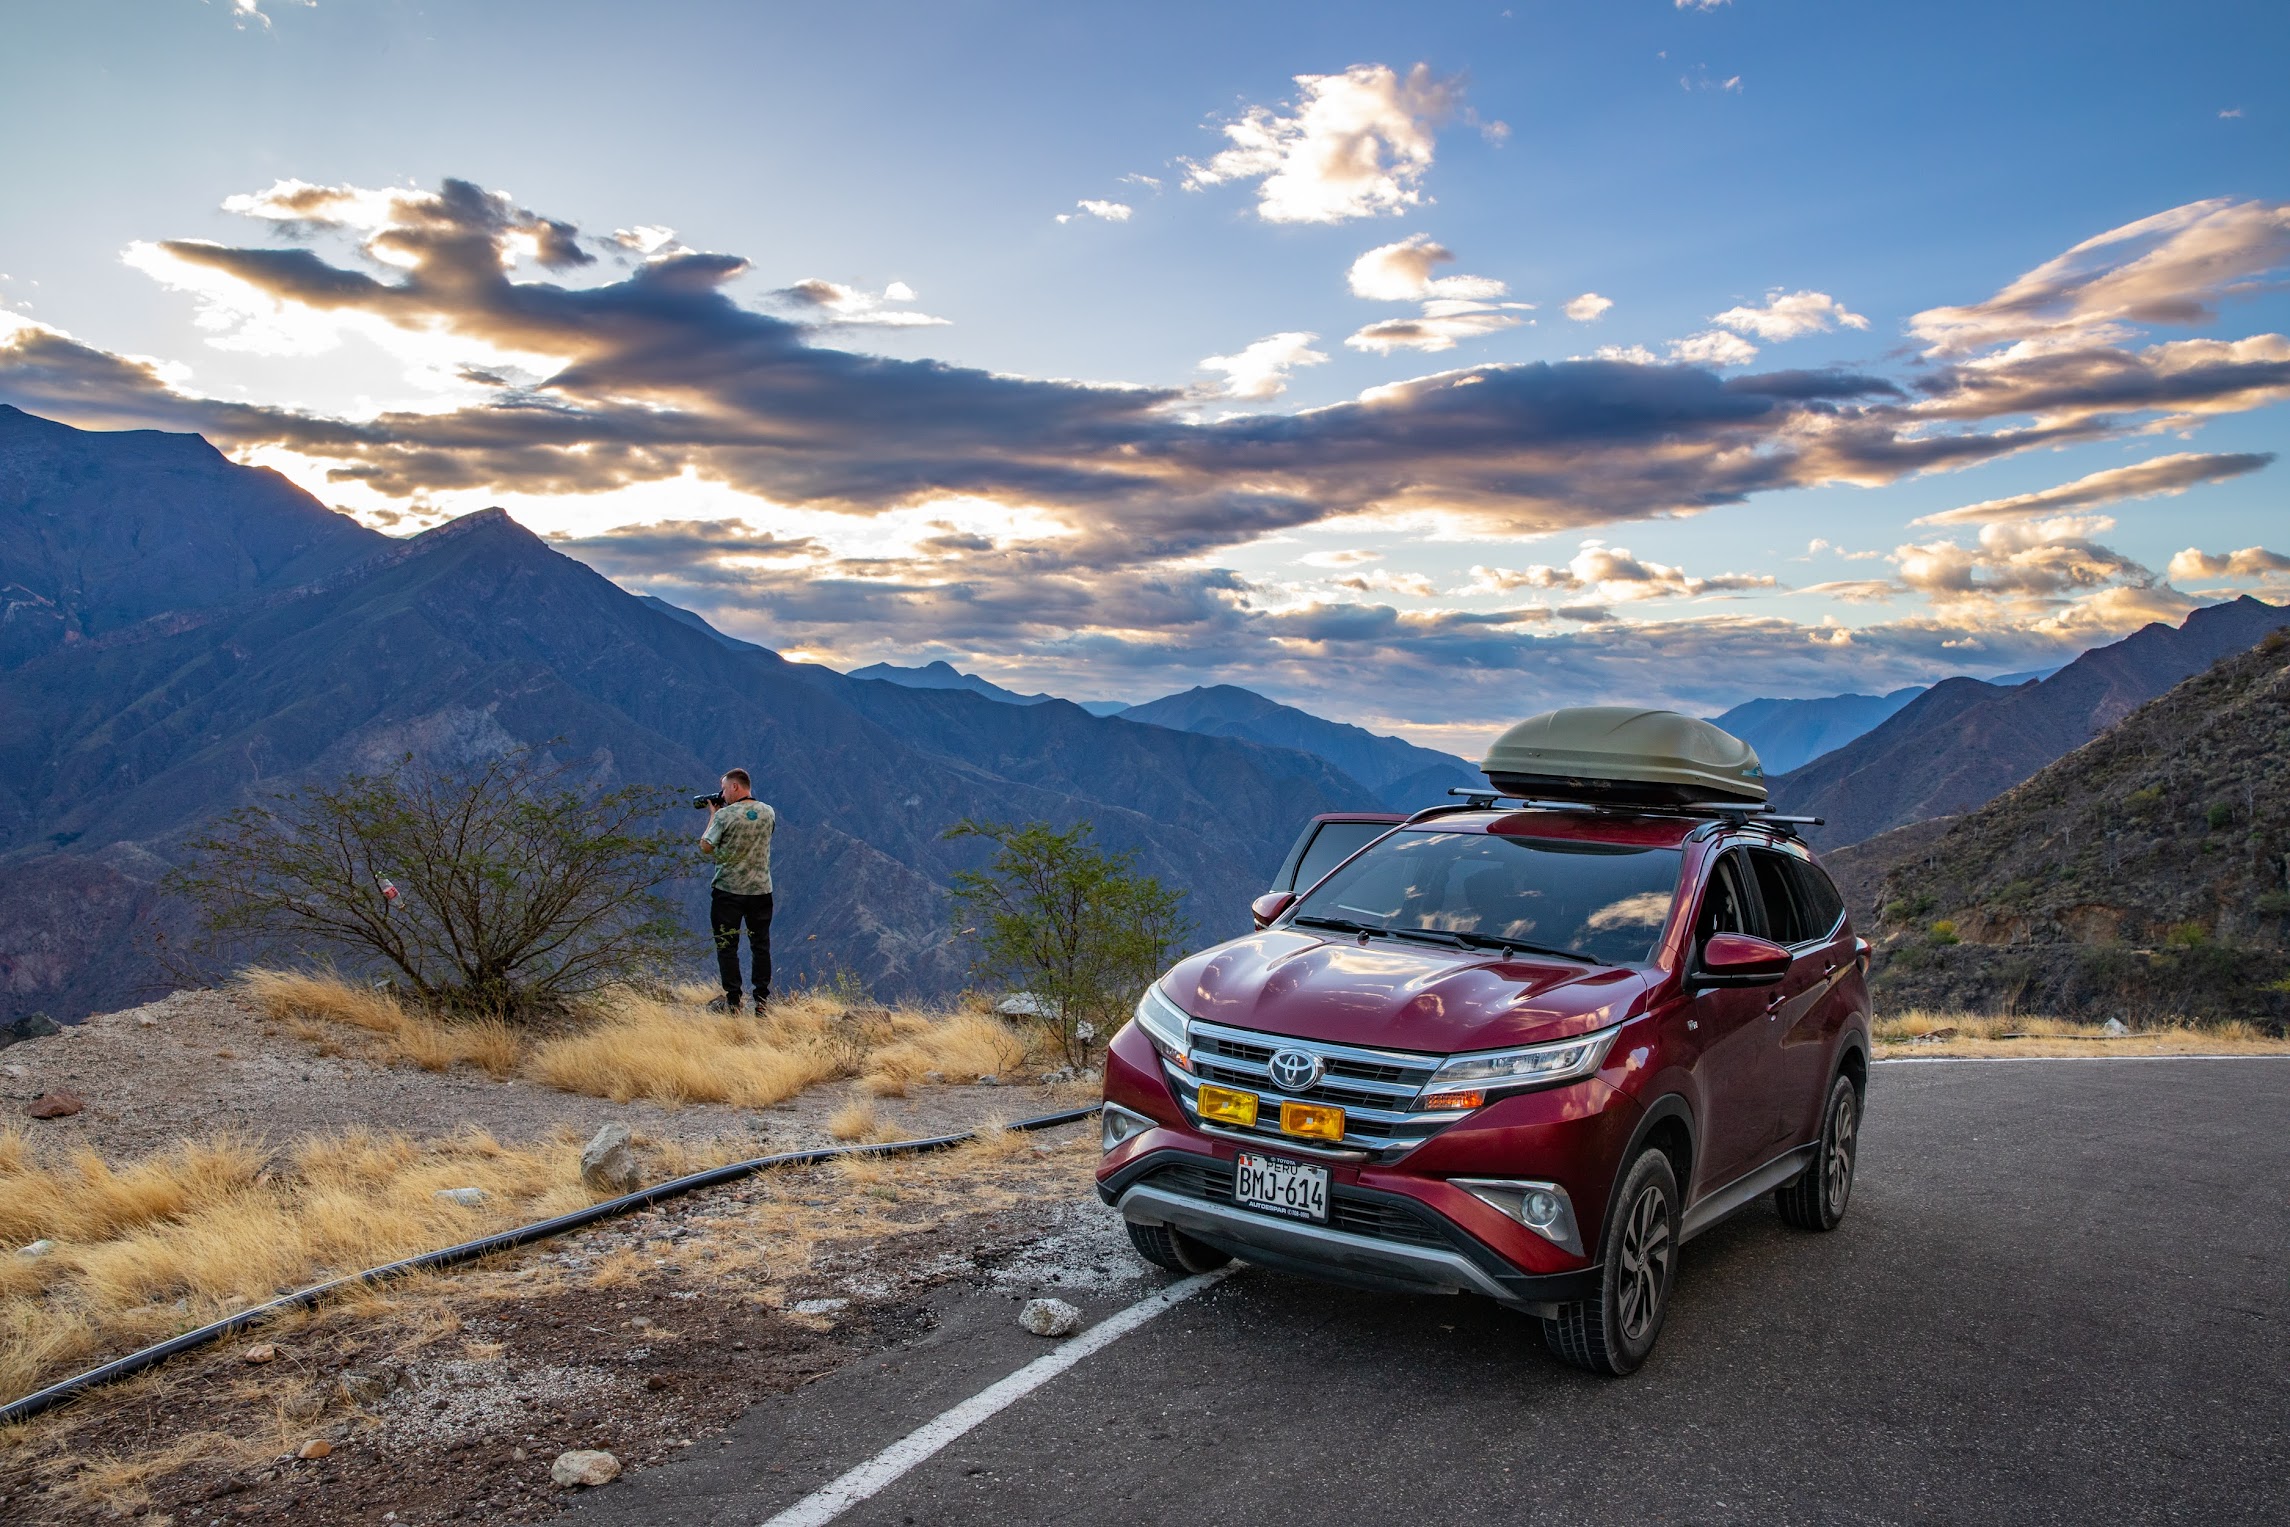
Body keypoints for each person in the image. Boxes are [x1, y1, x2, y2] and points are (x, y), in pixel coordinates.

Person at [697, 768, 776, 1012]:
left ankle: (734, 1000)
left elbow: (706, 846)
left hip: (728, 891)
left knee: (727, 945)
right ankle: (761, 1000)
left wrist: (713, 814)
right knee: (760, 945)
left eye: (723, 789)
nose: (721, 794)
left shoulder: (724, 816)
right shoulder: (768, 812)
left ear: (734, 787)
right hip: (761, 890)